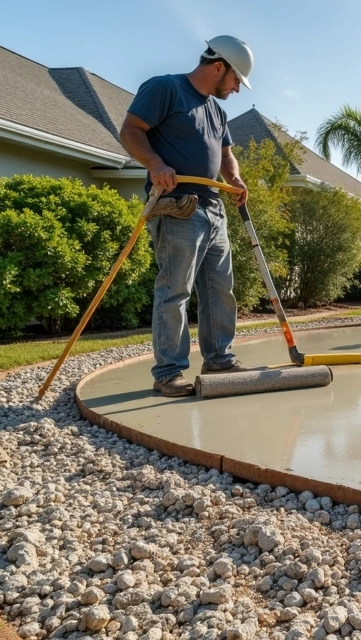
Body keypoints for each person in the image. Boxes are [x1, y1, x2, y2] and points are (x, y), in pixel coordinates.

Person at [119, 35, 255, 397]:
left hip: (214, 208)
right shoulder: (166, 88)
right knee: (175, 290)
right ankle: (168, 372)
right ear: (218, 66)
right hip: (178, 205)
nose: (237, 88)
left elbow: (226, 155)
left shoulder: (217, 110)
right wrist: (156, 164)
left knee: (220, 290)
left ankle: (219, 360)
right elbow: (130, 130)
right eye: (236, 79)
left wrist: (235, 179)